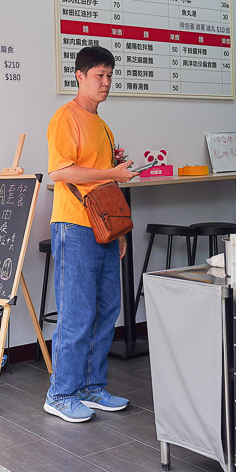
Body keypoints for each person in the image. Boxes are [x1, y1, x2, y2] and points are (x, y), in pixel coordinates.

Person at [44, 45, 137, 423]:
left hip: (103, 228)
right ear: (79, 76)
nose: (106, 82)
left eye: (110, 75)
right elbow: (60, 172)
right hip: (73, 226)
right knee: (77, 313)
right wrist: (114, 174)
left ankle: (92, 387)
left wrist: (119, 231)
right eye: (99, 75)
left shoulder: (102, 124)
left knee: (106, 310)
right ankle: (61, 392)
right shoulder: (65, 118)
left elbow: (104, 182)